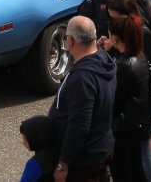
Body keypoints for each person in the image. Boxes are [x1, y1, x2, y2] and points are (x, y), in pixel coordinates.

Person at [49, 17, 116, 182]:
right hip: (101, 148)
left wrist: (63, 164)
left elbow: (79, 126)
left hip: (85, 161)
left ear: (71, 41)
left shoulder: (83, 78)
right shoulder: (104, 59)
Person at [105, 9, 151, 182]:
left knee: (123, 174)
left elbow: (114, 101)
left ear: (115, 38)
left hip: (122, 130)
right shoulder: (139, 56)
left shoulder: (123, 66)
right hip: (136, 124)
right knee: (137, 170)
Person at [18, 114, 59, 182]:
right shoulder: (60, 153)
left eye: (26, 138)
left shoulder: (34, 164)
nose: (23, 142)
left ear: (37, 137)